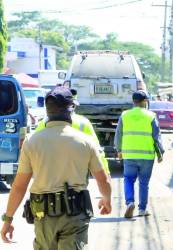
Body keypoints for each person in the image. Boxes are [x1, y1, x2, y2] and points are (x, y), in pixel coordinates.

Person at [1, 87, 112, 248]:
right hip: (75, 214)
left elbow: (19, 186)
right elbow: (103, 180)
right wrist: (106, 199)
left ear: (48, 110)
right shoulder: (86, 141)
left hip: (43, 215)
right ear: (71, 109)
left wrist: (8, 219)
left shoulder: (32, 142)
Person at [35, 89, 111, 175]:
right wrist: (106, 172)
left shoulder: (44, 123)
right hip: (77, 172)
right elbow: (97, 151)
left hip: (50, 172)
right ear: (72, 106)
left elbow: (34, 148)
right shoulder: (83, 122)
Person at [114, 90, 164, 218]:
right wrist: (160, 153)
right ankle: (142, 209)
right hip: (147, 156)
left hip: (129, 155)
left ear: (133, 101)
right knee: (144, 183)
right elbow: (156, 136)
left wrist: (119, 150)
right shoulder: (151, 115)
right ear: (145, 102)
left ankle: (130, 202)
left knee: (128, 179)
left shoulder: (124, 115)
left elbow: (118, 134)